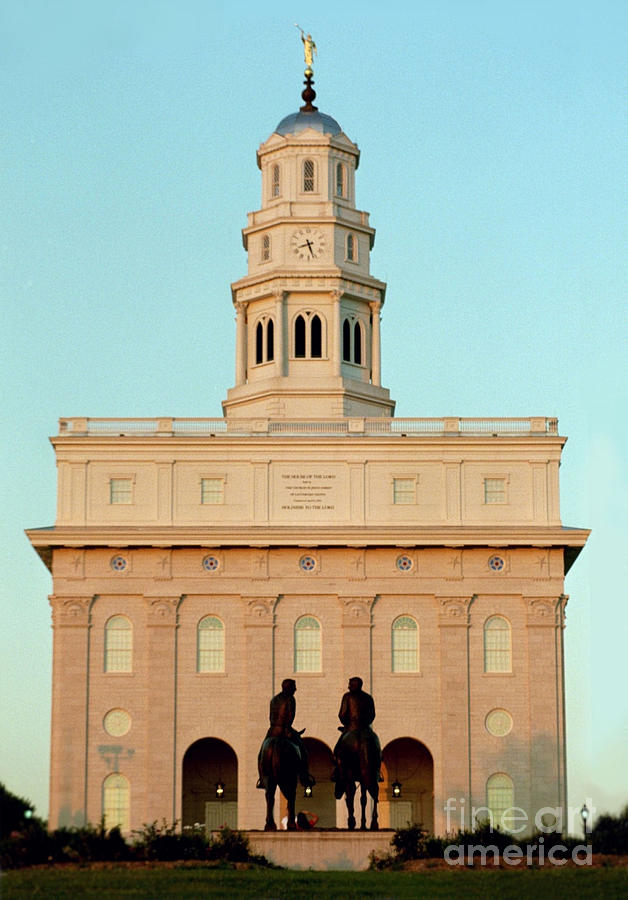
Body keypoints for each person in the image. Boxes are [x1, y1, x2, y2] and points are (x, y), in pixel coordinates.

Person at [257, 678, 315, 789]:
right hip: (285, 730)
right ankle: (305, 777)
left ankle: (262, 779)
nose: (295, 689)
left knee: (261, 754)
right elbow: (290, 716)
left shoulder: (274, 699)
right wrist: (288, 730)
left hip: (272, 730)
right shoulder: (290, 699)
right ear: (288, 688)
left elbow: (271, 717)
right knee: (303, 751)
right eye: (294, 687)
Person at [332, 677, 382, 784]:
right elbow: (372, 715)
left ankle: (337, 772)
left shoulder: (347, 696)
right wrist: (365, 724)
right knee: (377, 748)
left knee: (337, 751)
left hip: (351, 728)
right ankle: (378, 772)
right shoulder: (368, 698)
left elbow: (342, 714)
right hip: (366, 729)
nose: (348, 686)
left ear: (356, 685)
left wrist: (347, 724)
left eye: (350, 684)